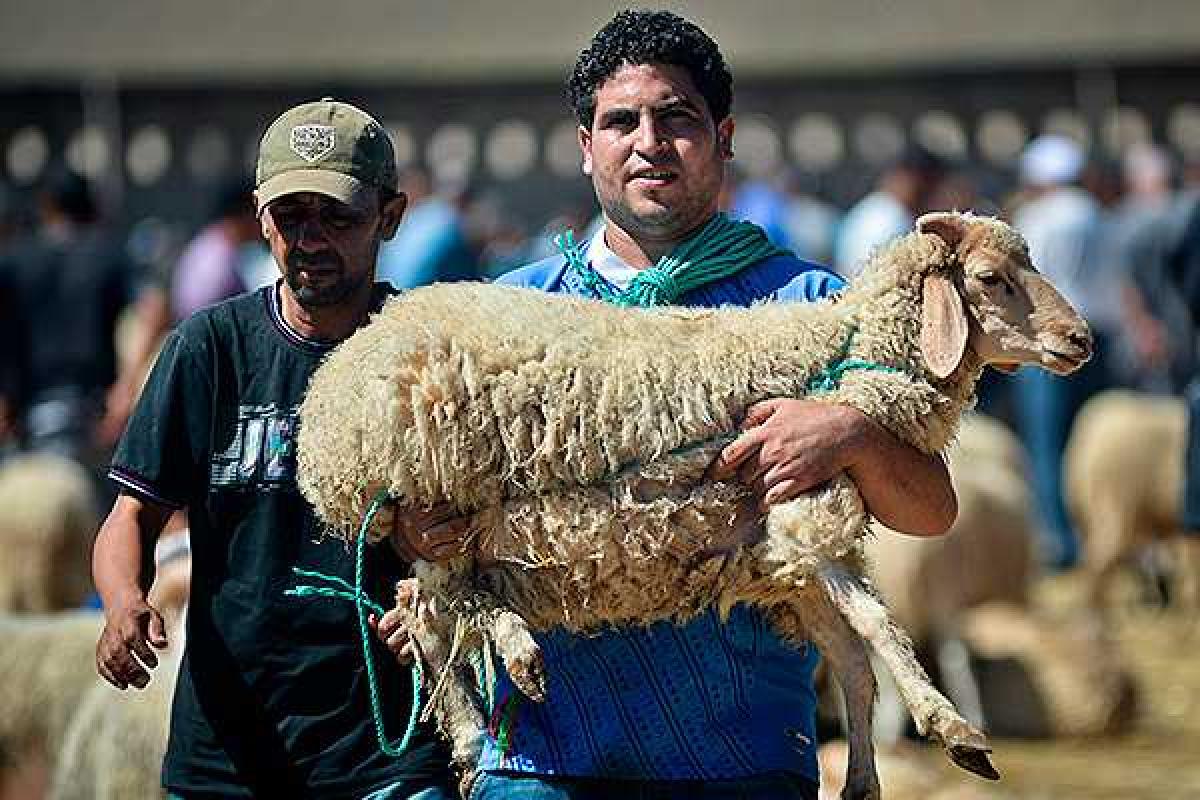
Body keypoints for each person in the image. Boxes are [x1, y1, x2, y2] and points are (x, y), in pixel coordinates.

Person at [383, 11, 955, 799]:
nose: (648, 141)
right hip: (541, 760)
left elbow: (930, 510)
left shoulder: (812, 306)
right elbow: (408, 512)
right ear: (586, 148)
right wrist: (416, 528)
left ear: (723, 137)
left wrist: (853, 433)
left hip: (740, 757)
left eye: (676, 118)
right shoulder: (509, 318)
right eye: (620, 121)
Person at [91, 99, 452, 799]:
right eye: (292, 216)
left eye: (338, 216)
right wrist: (121, 600)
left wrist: (443, 596)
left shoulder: (427, 353)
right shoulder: (210, 348)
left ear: (391, 215)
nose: (311, 237)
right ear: (261, 218)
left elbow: (483, 529)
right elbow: (130, 514)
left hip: (383, 752)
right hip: (228, 752)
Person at [833, 144, 945, 278]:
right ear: (915, 180)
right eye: (930, 188)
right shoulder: (890, 221)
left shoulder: (874, 208)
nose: (931, 196)